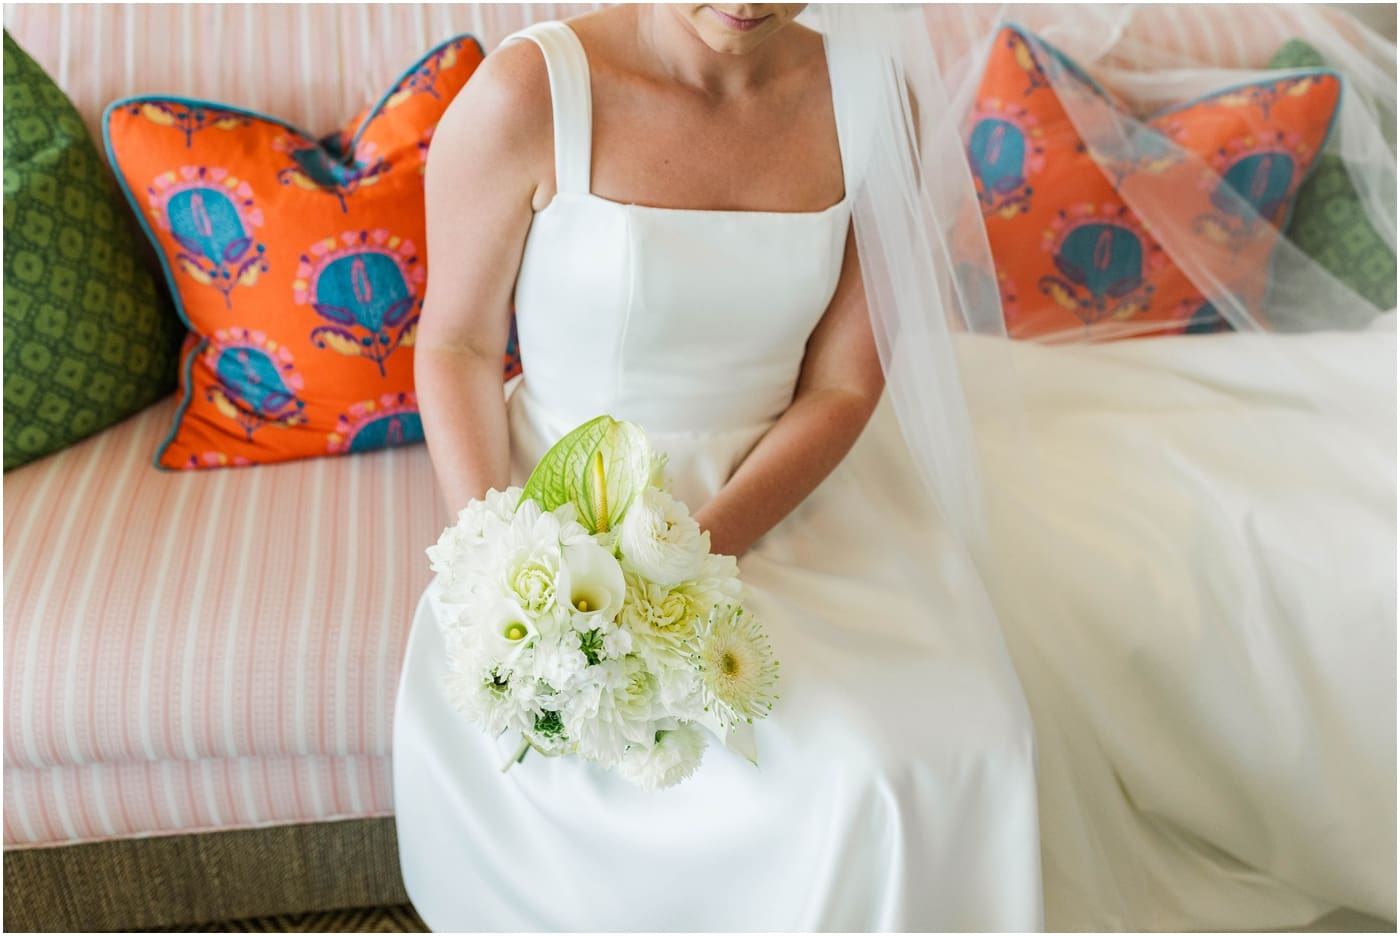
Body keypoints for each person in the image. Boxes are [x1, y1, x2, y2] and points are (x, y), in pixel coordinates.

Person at [391, 4, 1044, 931]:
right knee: (822, 766)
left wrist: (699, 557)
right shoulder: (528, 94)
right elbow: (455, 343)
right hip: (570, 516)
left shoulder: (868, 99)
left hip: (789, 485)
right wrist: (498, 555)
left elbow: (846, 385)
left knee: (964, 745)